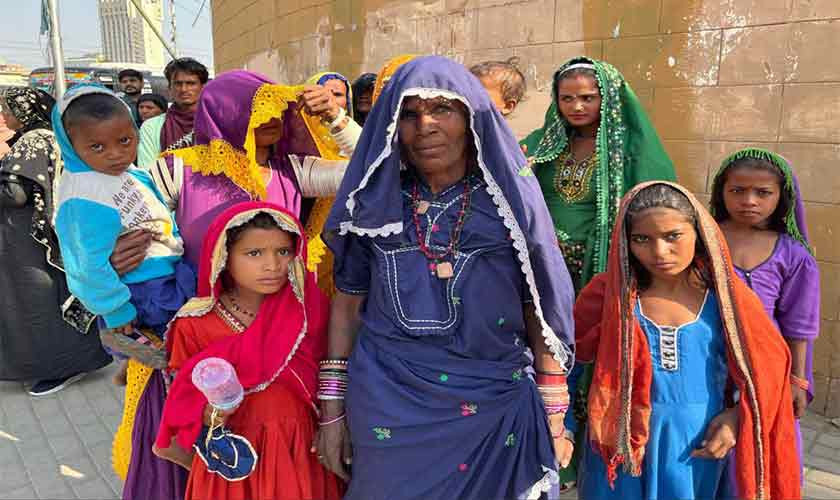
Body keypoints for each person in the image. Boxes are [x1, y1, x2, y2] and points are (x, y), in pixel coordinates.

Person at [318, 55, 576, 499]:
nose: (426, 127)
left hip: (494, 404)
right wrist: (332, 411)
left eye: (442, 109)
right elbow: (348, 304)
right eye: (409, 114)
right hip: (389, 405)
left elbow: (538, 301)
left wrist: (553, 408)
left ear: (472, 117)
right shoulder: (373, 204)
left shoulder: (508, 204)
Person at [573, 181, 800, 500]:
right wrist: (561, 426)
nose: (659, 252)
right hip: (620, 446)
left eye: (672, 236)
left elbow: (771, 370)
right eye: (641, 239)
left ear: (699, 234)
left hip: (697, 445)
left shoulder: (726, 298)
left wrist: (736, 416)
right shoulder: (609, 293)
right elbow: (565, 359)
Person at [521, 56, 677, 488]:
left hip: (596, 271)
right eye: (567, 97)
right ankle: (540, 446)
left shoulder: (630, 150)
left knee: (585, 355)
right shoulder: (543, 144)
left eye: (588, 98)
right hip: (542, 271)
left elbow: (654, 206)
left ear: (608, 99)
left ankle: (582, 455)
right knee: (540, 353)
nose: (576, 106)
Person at [51, 84, 196, 499]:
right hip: (141, 290)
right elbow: (86, 268)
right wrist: (116, 312)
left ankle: (128, 359)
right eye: (97, 146)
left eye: (125, 141)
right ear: (71, 145)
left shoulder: (130, 175)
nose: (115, 154)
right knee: (169, 356)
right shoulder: (82, 194)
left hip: (162, 273)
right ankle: (132, 358)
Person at [154, 202, 343, 500]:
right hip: (236, 455)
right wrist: (210, 414)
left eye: (283, 251)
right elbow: (183, 400)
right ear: (224, 256)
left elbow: (332, 373)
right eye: (254, 253)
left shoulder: (310, 309)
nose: (272, 265)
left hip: (302, 447)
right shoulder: (194, 324)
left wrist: (333, 426)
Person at [710, 148, 820, 480]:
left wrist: (797, 380)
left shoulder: (793, 254)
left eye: (763, 192)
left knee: (754, 456)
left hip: (764, 369)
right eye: (737, 190)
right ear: (721, 192)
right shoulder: (702, 239)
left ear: (781, 197)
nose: (749, 201)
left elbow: (799, 325)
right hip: (706, 358)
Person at [0, 86, 110, 396]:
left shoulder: (33, 140)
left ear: (25, 111)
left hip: (30, 241)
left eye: (8, 109)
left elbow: (16, 193)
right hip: (48, 235)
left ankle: (62, 366)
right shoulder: (50, 137)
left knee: (39, 303)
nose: (4, 116)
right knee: (53, 298)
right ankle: (65, 361)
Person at [137, 58, 208, 167]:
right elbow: (147, 170)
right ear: (170, 88)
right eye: (178, 84)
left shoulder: (216, 123)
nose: (184, 89)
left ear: (203, 87)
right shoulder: (150, 127)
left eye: (191, 83)